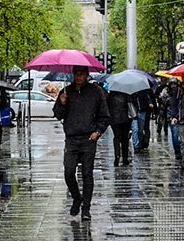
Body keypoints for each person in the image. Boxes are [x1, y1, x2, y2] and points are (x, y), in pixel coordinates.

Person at [53, 65, 110, 220]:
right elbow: (58, 115)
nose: (78, 77)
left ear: (86, 75)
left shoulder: (96, 92)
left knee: (87, 174)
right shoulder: (66, 91)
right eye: (76, 74)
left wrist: (98, 131)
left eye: (81, 74)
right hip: (71, 139)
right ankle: (77, 198)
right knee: (69, 172)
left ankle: (86, 208)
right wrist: (62, 103)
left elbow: (104, 115)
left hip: (88, 138)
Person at [108, 91, 134, 166]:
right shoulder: (126, 95)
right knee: (125, 139)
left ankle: (117, 156)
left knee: (116, 137)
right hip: (125, 119)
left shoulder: (110, 96)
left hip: (114, 120)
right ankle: (125, 158)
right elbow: (130, 107)